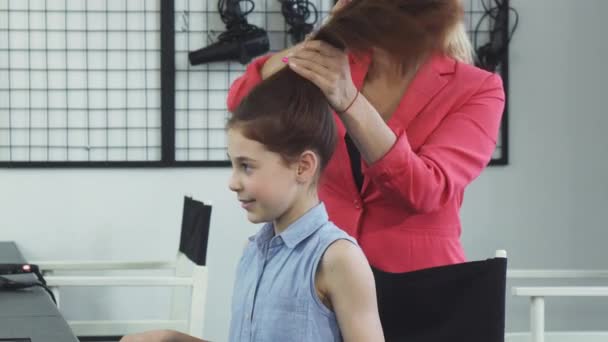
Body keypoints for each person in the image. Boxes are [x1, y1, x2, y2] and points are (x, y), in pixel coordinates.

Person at [121, 14, 384, 342]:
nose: (233, 182)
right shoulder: (254, 252)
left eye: (247, 167)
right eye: (233, 165)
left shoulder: (338, 259)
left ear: (303, 167)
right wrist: (172, 340)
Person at [227, 0, 506, 274]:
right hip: (320, 270)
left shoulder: (478, 89)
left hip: (420, 286)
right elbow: (243, 101)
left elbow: (424, 190)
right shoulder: (341, 64)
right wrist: (321, 42)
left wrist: (350, 102)